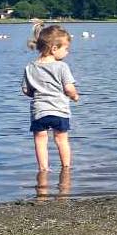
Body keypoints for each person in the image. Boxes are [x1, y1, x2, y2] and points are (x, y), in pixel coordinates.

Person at [22, 25, 79, 171]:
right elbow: (69, 88)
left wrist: (35, 92)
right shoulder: (62, 67)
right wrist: (74, 96)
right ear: (54, 48)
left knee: (40, 141)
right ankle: (66, 168)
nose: (67, 52)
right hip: (59, 110)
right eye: (65, 49)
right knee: (61, 139)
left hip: (39, 111)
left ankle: (43, 169)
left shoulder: (30, 67)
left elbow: (26, 90)